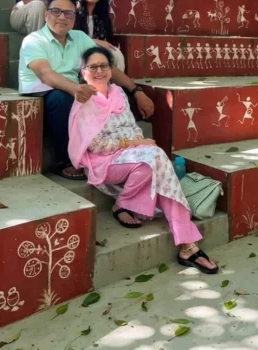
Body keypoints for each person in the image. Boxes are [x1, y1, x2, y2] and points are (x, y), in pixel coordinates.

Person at [69, 47, 218, 274]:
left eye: (104, 66)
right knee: (155, 157)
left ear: (111, 69)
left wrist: (139, 142)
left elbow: (133, 128)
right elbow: (97, 145)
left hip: (131, 156)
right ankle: (183, 239)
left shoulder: (118, 92)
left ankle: (185, 241)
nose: (99, 71)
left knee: (153, 161)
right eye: (93, 67)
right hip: (103, 162)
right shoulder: (85, 100)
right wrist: (134, 145)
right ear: (83, 71)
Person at [20, 0, 154, 180]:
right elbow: (45, 74)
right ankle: (66, 160)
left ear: (74, 17)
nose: (62, 18)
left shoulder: (79, 38)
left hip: (71, 93)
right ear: (46, 13)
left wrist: (136, 91)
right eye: (56, 11)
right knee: (62, 98)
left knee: (105, 90)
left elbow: (106, 66)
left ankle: (109, 149)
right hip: (42, 97)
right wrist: (75, 88)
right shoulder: (33, 40)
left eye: (68, 13)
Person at [74, 0, 125, 71]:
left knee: (115, 53)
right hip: (74, 55)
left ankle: (114, 86)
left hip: (95, 56)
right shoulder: (73, 11)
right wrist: (93, 41)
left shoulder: (102, 17)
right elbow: (67, 40)